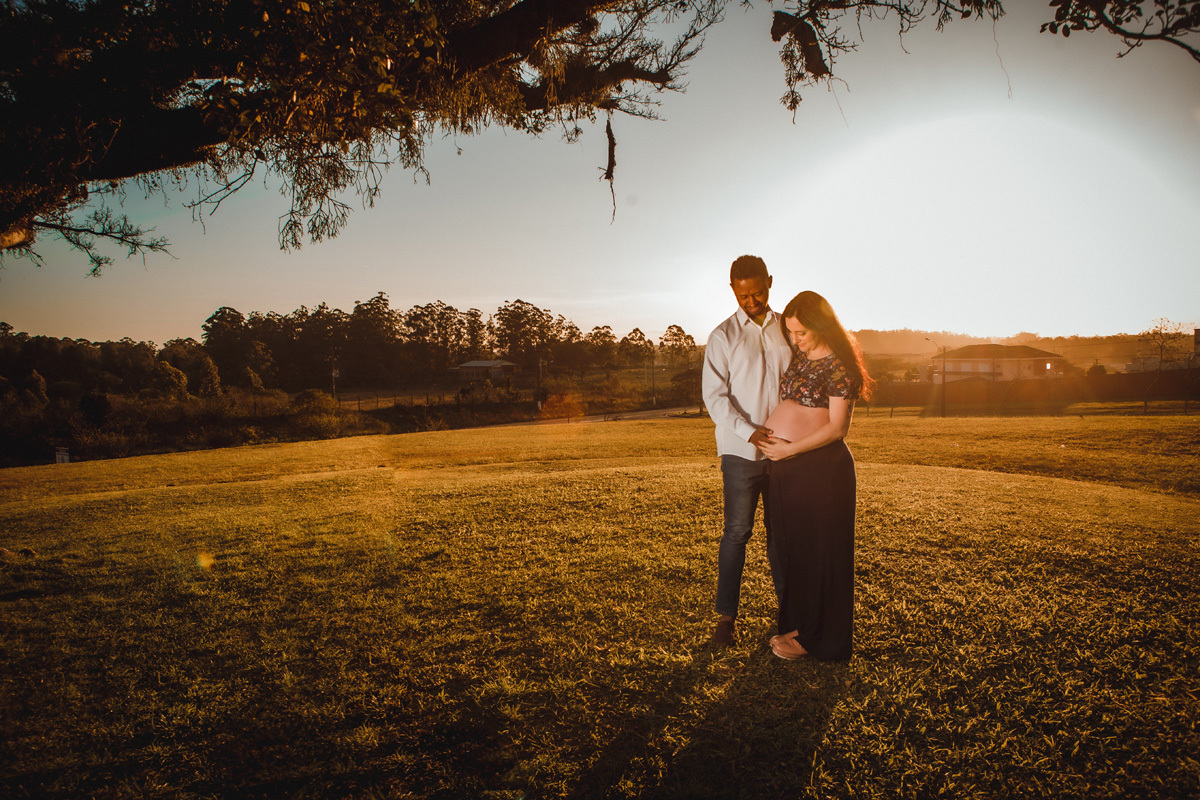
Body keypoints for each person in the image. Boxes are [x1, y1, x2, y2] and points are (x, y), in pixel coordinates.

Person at [757, 290, 874, 662]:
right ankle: (801, 626)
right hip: (788, 468)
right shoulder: (801, 359)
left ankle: (822, 640)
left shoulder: (839, 366)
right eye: (790, 332)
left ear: (821, 326)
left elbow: (838, 428)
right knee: (796, 550)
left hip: (821, 470)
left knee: (821, 554)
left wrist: (789, 449)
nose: (795, 340)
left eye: (801, 332)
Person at [701, 255, 794, 646]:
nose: (752, 301)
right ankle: (726, 620)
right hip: (741, 453)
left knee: (782, 536)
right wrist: (750, 432)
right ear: (732, 290)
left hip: (787, 452)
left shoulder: (789, 329)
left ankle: (790, 616)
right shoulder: (722, 337)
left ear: (769, 281)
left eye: (758, 292)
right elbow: (714, 398)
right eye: (743, 296)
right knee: (737, 534)